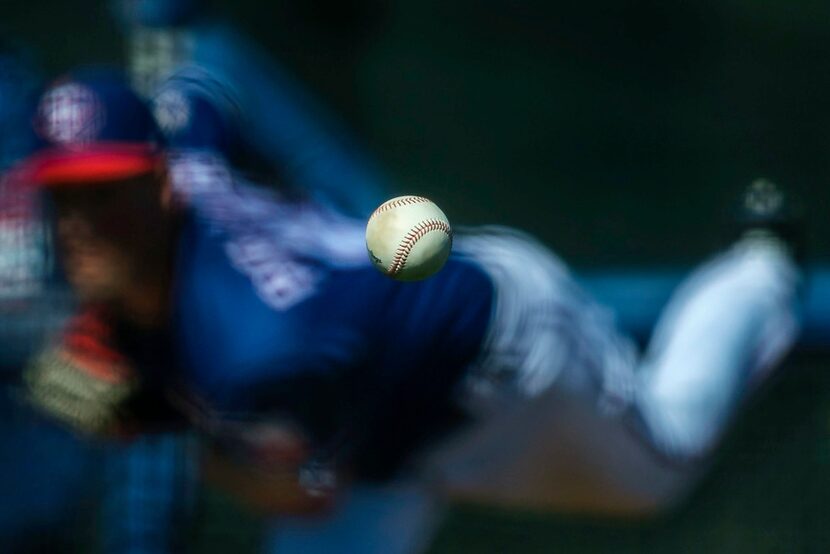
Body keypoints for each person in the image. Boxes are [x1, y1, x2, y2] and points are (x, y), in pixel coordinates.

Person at [17, 70, 801, 553]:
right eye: (65, 196)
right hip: (369, 412)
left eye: (106, 195)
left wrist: (160, 418)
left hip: (498, 366)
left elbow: (301, 492)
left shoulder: (261, 349)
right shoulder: (186, 157)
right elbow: (201, 96)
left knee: (662, 461)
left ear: (158, 189)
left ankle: (761, 271)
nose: (81, 222)